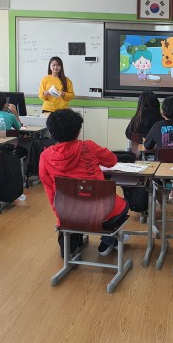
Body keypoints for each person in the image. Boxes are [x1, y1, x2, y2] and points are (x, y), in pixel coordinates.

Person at [38, 109, 130, 257]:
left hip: (69, 212)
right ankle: (108, 240)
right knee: (124, 205)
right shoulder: (89, 147)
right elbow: (112, 160)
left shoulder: (44, 157)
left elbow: (50, 191)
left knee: (67, 250)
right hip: (102, 211)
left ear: (51, 132)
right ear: (78, 131)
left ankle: (76, 246)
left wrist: (61, 217)